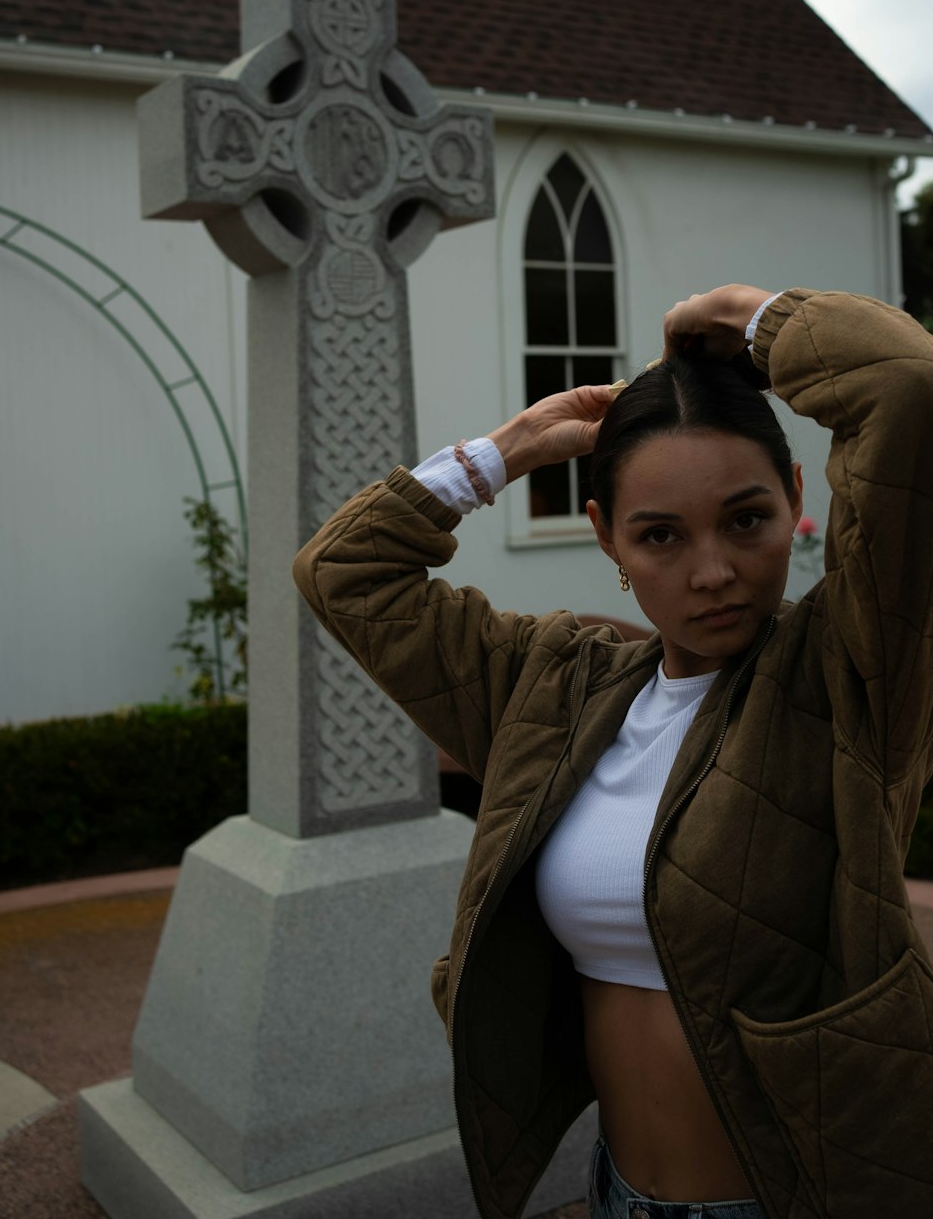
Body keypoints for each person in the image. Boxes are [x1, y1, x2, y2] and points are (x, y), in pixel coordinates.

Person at [293, 286, 933, 1219]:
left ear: (797, 498)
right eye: (660, 535)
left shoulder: (850, 674)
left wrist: (751, 318)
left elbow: (909, 387)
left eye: (746, 519)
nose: (711, 570)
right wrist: (508, 449)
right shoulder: (551, 688)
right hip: (616, 1192)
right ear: (607, 538)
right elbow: (344, 572)